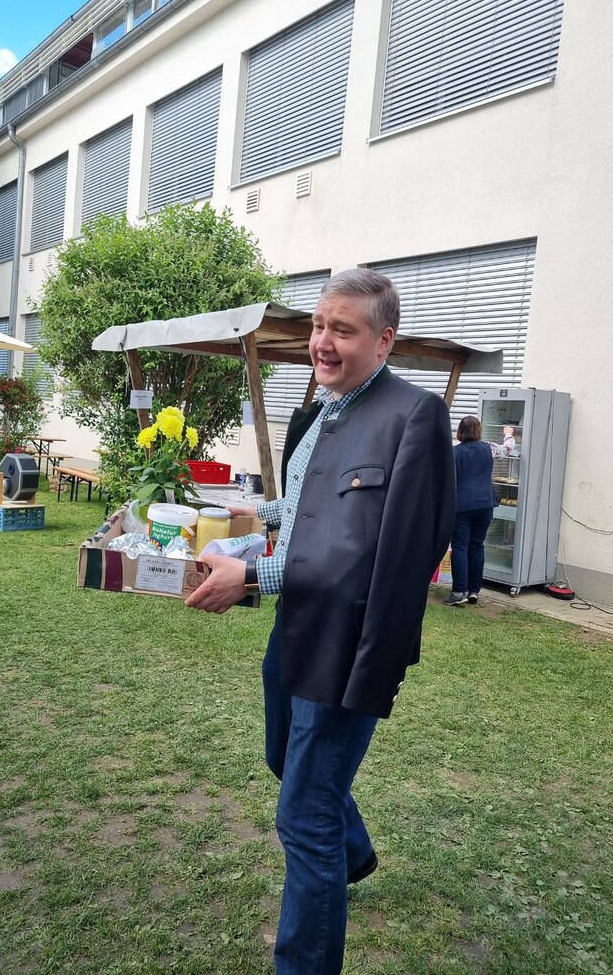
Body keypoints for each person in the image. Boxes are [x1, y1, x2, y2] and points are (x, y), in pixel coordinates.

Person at [185, 268, 455, 974]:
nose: (322, 343)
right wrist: (245, 513)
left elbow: (373, 553)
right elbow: (312, 511)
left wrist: (254, 575)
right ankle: (353, 852)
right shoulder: (324, 410)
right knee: (283, 756)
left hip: (350, 643)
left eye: (343, 330)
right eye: (317, 325)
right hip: (296, 629)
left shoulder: (414, 416)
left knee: (303, 816)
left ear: (384, 341)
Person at [445, 414, 497, 606]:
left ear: (460, 431)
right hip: (486, 503)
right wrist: (509, 434)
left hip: (462, 505)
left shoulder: (454, 453)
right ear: (479, 430)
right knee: (477, 546)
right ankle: (474, 590)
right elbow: (508, 448)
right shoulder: (489, 448)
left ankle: (459, 591)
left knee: (460, 546)